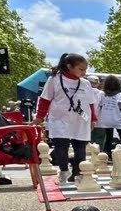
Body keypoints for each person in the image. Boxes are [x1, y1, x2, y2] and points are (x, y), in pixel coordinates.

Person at [34, 53, 100, 183]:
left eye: (85, 69)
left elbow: (91, 103)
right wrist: (39, 116)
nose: (84, 72)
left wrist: (93, 118)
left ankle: (79, 173)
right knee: (61, 146)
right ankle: (64, 171)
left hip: (80, 119)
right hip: (60, 118)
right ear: (69, 66)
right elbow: (45, 99)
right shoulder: (55, 79)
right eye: (81, 69)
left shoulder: (85, 83)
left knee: (80, 147)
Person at [97, 74, 121, 154]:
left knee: (108, 138)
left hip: (106, 119)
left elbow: (100, 105)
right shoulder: (119, 94)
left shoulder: (102, 94)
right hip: (117, 119)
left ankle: (106, 154)